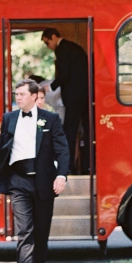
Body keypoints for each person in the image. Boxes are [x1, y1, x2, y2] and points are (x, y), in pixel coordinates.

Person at [0, 80, 69, 263]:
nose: (18, 97)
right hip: (18, 181)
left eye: (22, 94)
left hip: (43, 182)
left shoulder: (50, 119)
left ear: (34, 96)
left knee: (41, 230)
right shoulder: (9, 118)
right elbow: (1, 152)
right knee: (24, 231)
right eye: (17, 94)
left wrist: (61, 175)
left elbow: (62, 150)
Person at [41, 28, 89, 174]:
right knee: (87, 130)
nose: (48, 46)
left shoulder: (62, 50)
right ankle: (87, 164)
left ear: (54, 37)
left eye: (47, 42)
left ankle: (67, 165)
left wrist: (51, 87)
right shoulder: (74, 48)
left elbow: (64, 74)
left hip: (73, 97)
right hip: (85, 94)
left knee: (69, 130)